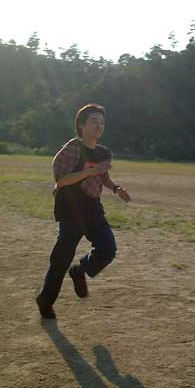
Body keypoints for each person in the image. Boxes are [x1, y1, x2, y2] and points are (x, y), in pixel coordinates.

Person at [36, 103, 131, 319]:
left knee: (108, 248)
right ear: (81, 125)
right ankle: (45, 300)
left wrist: (116, 188)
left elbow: (103, 177)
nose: (99, 126)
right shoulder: (72, 149)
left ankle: (80, 270)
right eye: (94, 122)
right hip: (71, 209)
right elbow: (61, 179)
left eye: (102, 122)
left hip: (92, 208)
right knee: (61, 258)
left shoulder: (103, 152)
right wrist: (92, 171)